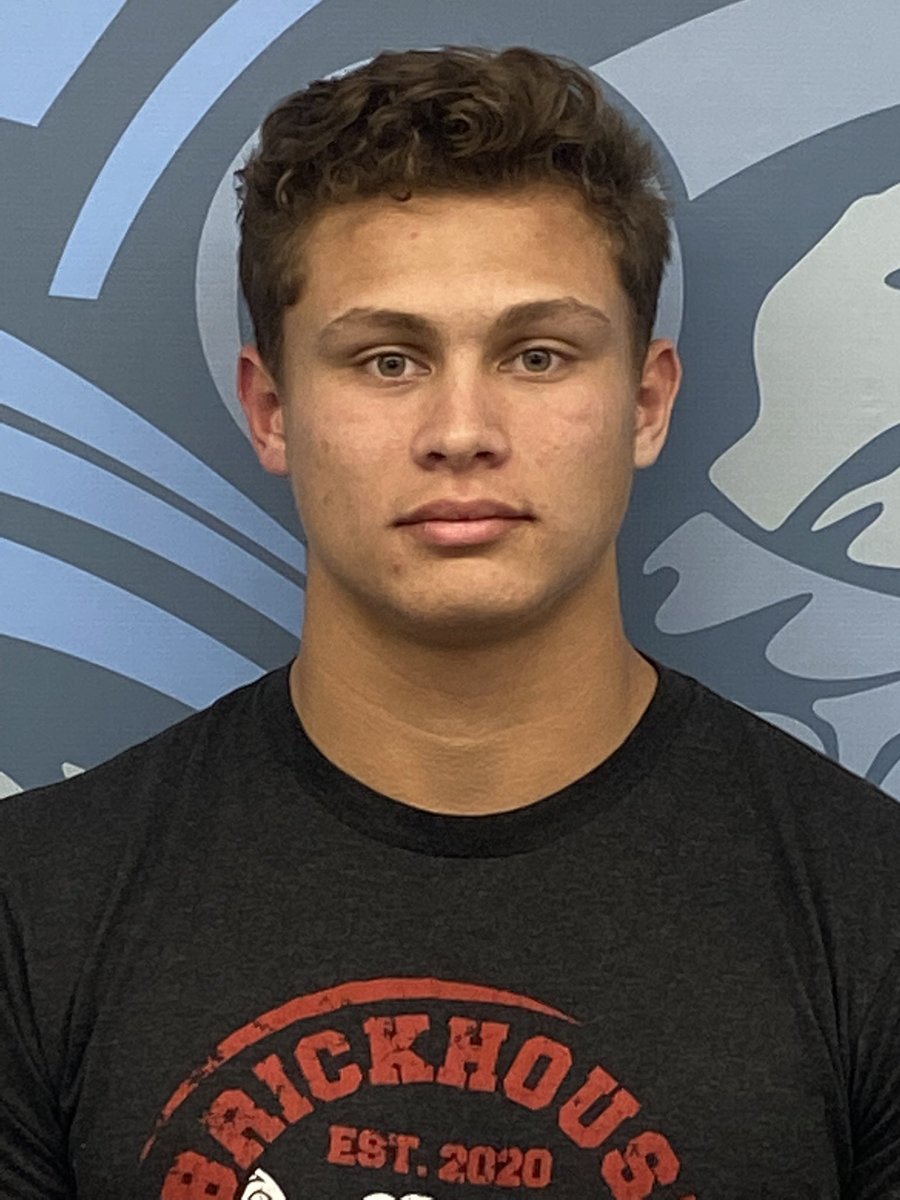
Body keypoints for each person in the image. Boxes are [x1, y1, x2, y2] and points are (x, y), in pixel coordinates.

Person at [0, 45, 898, 1200]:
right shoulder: (35, 909)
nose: (462, 430)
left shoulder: (869, 913)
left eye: (537, 354)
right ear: (272, 411)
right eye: (388, 359)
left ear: (645, 401)